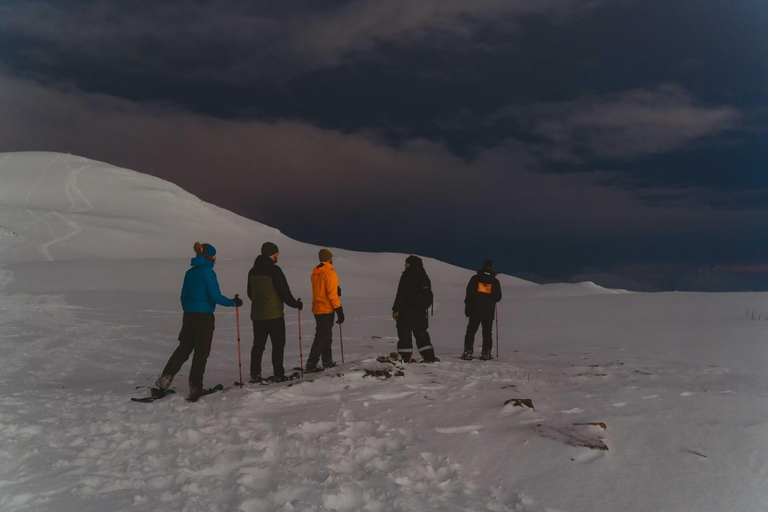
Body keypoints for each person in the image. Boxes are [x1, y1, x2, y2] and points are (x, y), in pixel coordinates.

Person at [152, 242, 242, 401]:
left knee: (183, 349)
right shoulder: (208, 273)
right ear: (209, 257)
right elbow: (215, 296)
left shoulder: (190, 272)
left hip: (189, 315)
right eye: (214, 255)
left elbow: (183, 295)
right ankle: (195, 388)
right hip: (204, 318)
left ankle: (163, 381)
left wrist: (188, 309)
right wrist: (233, 302)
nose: (215, 258)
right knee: (201, 353)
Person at [247, 242, 303, 382]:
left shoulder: (252, 271)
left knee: (258, 345)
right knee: (278, 344)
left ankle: (255, 374)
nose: (278, 256)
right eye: (277, 254)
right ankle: (278, 373)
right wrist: (296, 304)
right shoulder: (275, 270)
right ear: (272, 254)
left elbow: (250, 293)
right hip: (274, 315)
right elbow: (284, 292)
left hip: (257, 315)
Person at [392, 255, 439, 363]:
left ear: (411, 264)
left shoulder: (407, 276)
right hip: (420, 312)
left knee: (404, 335)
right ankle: (429, 357)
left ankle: (405, 358)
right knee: (422, 334)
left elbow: (401, 294)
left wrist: (396, 309)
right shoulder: (424, 276)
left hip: (406, 311)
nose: (405, 265)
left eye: (406, 263)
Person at [305, 248, 344, 373]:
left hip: (317, 308)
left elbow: (321, 291)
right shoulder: (330, 273)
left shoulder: (315, 273)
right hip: (326, 308)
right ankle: (312, 363)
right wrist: (339, 310)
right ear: (330, 259)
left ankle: (327, 361)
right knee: (322, 336)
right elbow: (331, 295)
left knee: (326, 336)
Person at [462, 259, 502, 361]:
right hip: (488, 312)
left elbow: (469, 294)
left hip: (474, 310)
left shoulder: (475, 279)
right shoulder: (495, 281)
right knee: (487, 332)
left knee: (471, 331)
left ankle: (468, 351)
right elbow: (498, 297)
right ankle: (486, 352)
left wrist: (467, 308)